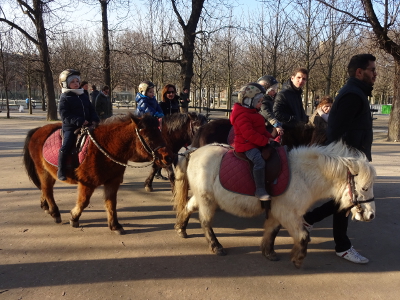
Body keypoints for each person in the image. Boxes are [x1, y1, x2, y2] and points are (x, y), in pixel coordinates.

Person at [303, 54, 377, 264]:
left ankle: (310, 220)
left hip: (353, 159)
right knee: (349, 200)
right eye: (372, 70)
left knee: (344, 200)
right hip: (349, 161)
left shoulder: (355, 93)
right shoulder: (352, 95)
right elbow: (336, 131)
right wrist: (349, 163)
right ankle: (342, 246)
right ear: (359, 72)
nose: (375, 74)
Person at [230, 82, 274, 207]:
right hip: (246, 145)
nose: (261, 104)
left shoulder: (253, 113)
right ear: (249, 101)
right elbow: (249, 134)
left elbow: (261, 131)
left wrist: (271, 138)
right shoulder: (242, 116)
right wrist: (265, 141)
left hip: (254, 142)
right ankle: (259, 189)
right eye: (259, 101)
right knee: (259, 160)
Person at [58, 69, 99, 181]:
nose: (76, 83)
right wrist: (80, 121)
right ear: (66, 84)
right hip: (71, 127)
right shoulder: (65, 97)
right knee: (66, 145)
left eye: (77, 81)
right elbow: (65, 115)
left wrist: (95, 119)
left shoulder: (83, 95)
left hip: (87, 125)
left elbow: (91, 110)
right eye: (73, 82)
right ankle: (61, 169)